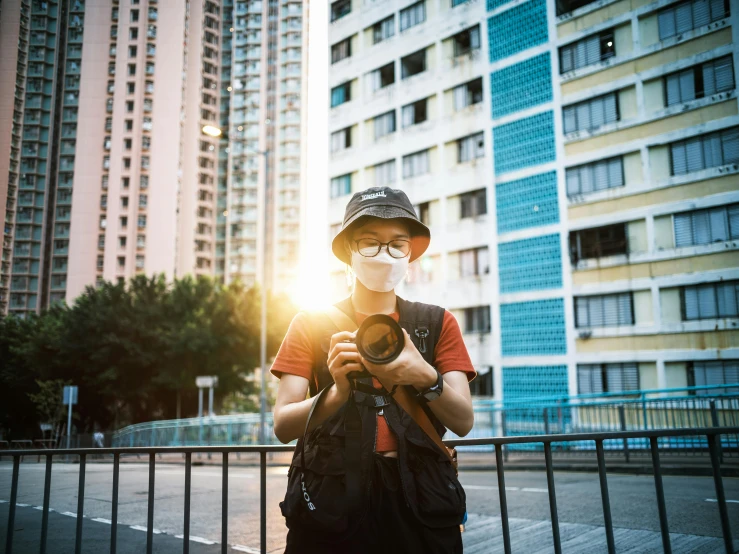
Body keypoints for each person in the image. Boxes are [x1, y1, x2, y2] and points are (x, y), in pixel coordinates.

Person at [272, 187, 476, 553]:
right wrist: (336, 392)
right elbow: (283, 425)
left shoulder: (437, 322)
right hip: (331, 499)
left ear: (410, 253)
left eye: (397, 244)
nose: (385, 255)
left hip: (421, 502)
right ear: (349, 251)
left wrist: (423, 375)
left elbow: (463, 421)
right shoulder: (310, 324)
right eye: (370, 242)